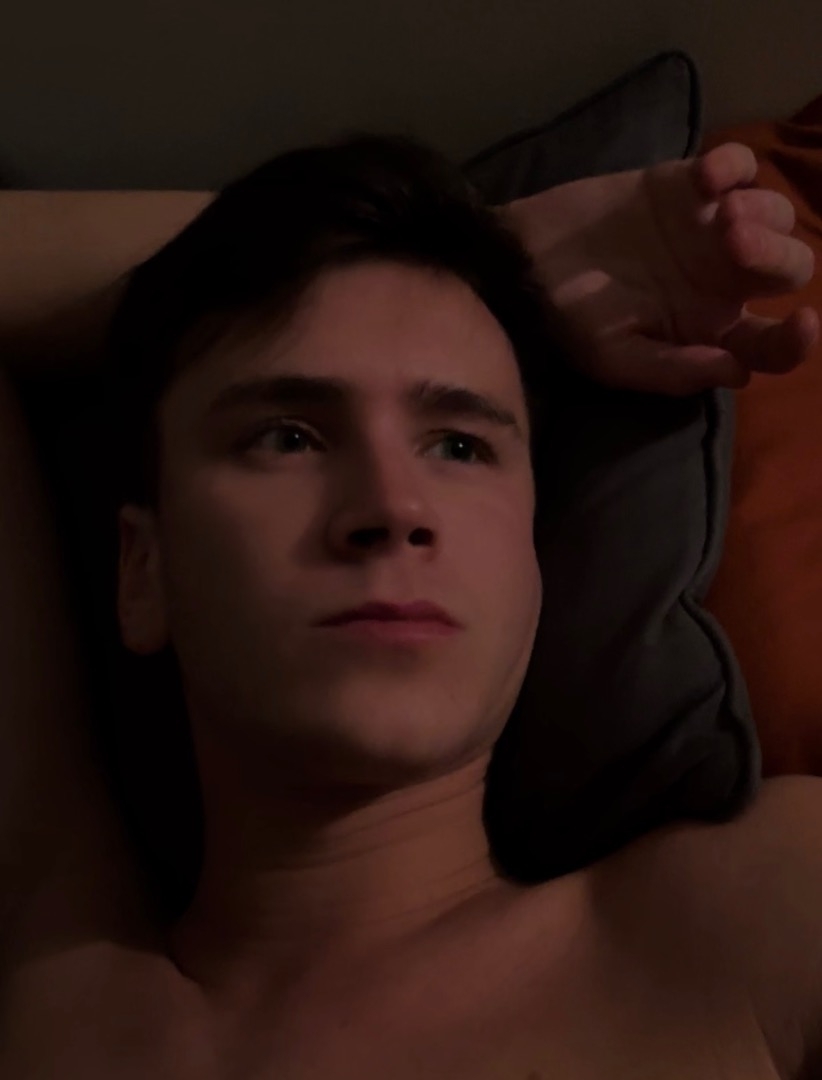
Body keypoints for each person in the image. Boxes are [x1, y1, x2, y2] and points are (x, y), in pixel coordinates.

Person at [0, 132, 819, 1080]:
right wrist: (510, 239)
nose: (393, 507)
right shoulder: (59, 992)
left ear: (532, 559)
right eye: (287, 436)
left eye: (460, 447)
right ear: (143, 571)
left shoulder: (753, 922)